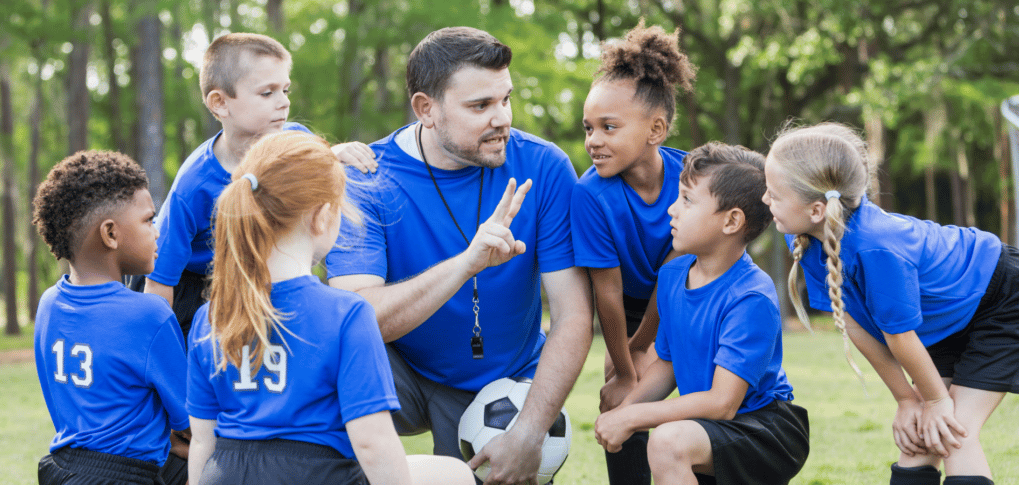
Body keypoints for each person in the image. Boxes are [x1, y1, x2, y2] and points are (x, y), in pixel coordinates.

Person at [326, 26, 594, 484]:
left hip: (503, 380)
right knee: (320, 373)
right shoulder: (366, 178)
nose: (502, 118)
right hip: (401, 371)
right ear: (425, 109)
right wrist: (466, 264)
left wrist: (531, 430)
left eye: (505, 99)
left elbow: (573, 316)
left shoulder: (544, 166)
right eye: (480, 106)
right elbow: (360, 315)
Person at [185, 131, 473, 485]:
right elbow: (372, 443)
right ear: (322, 216)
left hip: (225, 474)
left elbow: (203, 441)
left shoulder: (209, 316)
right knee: (455, 473)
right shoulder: (346, 314)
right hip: (314, 474)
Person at [763, 122, 1017, 485]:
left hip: (1001, 298)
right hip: (947, 319)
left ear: (817, 209)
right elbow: (852, 322)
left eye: (774, 194)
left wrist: (935, 402)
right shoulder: (807, 239)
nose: (765, 200)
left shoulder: (876, 247)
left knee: (952, 433)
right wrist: (908, 400)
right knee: (919, 441)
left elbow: (899, 336)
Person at [140, 32, 375, 345]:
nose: (284, 102)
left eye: (285, 90)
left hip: (260, 272)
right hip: (194, 286)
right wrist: (157, 356)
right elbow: (158, 283)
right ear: (220, 103)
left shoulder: (295, 139)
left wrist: (333, 154)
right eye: (267, 93)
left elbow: (311, 172)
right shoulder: (194, 184)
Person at [595, 143, 810, 485]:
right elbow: (666, 365)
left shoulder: (750, 296)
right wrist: (625, 410)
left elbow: (723, 402)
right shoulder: (671, 276)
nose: (672, 209)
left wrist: (635, 417)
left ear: (732, 221)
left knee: (667, 441)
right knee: (663, 434)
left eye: (687, 200)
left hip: (765, 429)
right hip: (711, 428)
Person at [570, 20, 696, 485]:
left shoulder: (691, 178)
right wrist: (626, 367)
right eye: (589, 128)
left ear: (655, 129)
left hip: (688, 298)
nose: (593, 140)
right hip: (624, 306)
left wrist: (645, 346)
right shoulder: (590, 195)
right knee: (620, 394)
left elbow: (676, 271)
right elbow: (606, 293)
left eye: (609, 127)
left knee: (702, 389)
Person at [32, 150, 190, 485]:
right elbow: (190, 420)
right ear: (111, 234)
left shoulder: (48, 305)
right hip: (125, 476)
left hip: (61, 469)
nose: (157, 232)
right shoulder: (149, 315)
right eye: (149, 221)